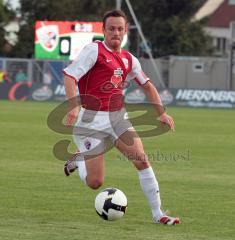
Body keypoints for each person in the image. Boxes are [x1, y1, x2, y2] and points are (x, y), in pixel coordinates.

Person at [63, 10, 180, 225]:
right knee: (96, 182)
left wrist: (161, 113)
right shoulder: (93, 51)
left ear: (125, 31)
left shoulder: (129, 59)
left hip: (118, 118)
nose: (115, 32)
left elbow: (147, 85)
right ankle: (78, 160)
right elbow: (70, 76)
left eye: (120, 29)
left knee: (142, 160)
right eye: (111, 29)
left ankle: (158, 214)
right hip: (91, 121)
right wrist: (73, 106)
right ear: (104, 30)